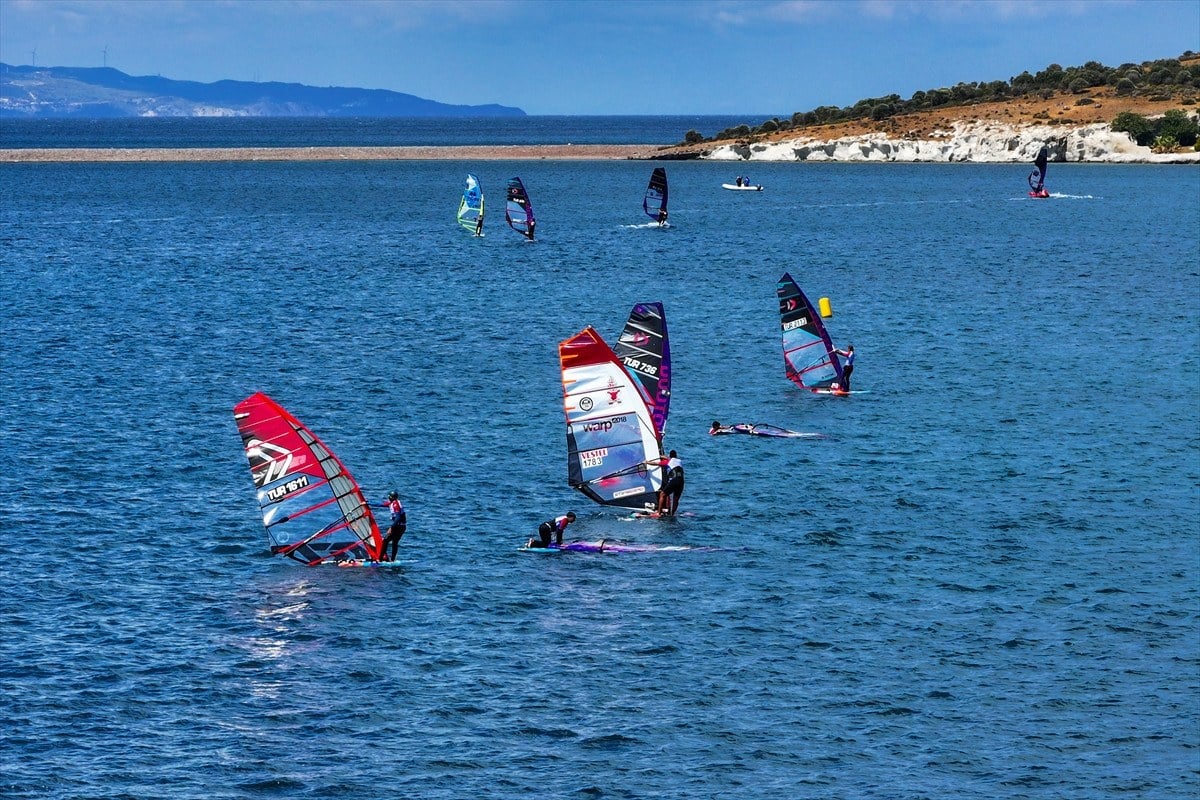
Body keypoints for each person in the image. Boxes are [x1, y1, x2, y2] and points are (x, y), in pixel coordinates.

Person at [377, 491, 407, 562]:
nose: (388, 498)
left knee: (385, 541)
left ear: (391, 497)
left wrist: (391, 527)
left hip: (398, 527)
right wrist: (368, 503)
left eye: (389, 496)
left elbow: (398, 517)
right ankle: (392, 560)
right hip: (402, 527)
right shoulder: (394, 502)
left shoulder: (395, 505)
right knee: (394, 542)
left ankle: (380, 559)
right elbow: (381, 504)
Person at [652, 450, 684, 516]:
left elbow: (656, 463)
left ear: (670, 456)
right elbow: (669, 458)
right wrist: (662, 456)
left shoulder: (667, 462)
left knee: (662, 494)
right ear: (676, 455)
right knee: (676, 499)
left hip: (674, 480)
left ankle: (659, 513)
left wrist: (647, 462)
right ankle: (672, 514)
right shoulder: (679, 461)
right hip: (681, 481)